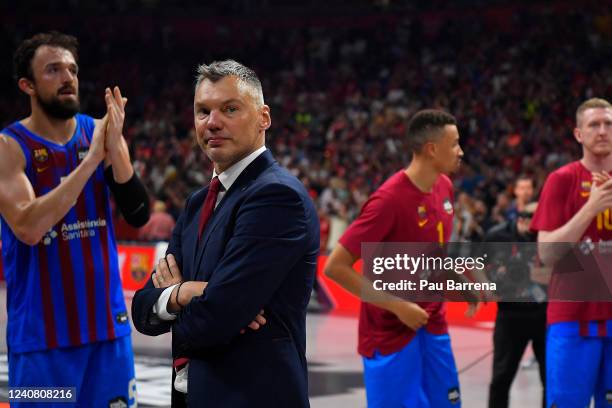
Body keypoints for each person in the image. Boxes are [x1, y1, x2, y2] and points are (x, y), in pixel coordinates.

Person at [131, 60, 319, 408]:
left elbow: (214, 320)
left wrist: (177, 298)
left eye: (230, 109)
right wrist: (185, 292)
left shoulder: (277, 196)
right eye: (203, 111)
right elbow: (142, 311)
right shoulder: (197, 203)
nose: (213, 122)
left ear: (264, 118)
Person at [0, 32, 150, 406]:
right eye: (53, 70)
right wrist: (91, 161)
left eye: (72, 69)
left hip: (107, 331)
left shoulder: (99, 131)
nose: (68, 77)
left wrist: (115, 150)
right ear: (27, 85)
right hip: (41, 340)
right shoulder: (8, 146)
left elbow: (138, 213)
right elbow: (29, 228)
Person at [325, 109, 476, 407]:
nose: (461, 151)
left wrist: (457, 279)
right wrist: (398, 306)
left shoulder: (444, 186)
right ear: (432, 149)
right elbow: (336, 267)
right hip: (390, 334)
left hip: (432, 326)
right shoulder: (388, 200)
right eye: (455, 143)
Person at [531, 97, 612, 407]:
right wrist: (591, 208)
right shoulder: (561, 180)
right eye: (594, 124)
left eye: (608, 124)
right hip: (572, 319)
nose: (602, 131)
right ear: (579, 134)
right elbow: (547, 254)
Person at [482, 201, 547, 408]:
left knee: (552, 379)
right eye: (535, 225)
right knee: (501, 378)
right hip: (510, 316)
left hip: (545, 315)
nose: (539, 230)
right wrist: (489, 288)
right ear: (521, 219)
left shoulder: (548, 235)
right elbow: (477, 264)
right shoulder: (496, 236)